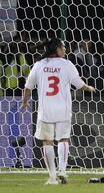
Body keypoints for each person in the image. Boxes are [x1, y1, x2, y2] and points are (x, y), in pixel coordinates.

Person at [20, 38, 95, 185]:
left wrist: (24, 101)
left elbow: (28, 87)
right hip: (63, 109)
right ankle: (62, 170)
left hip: (45, 110)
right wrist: (89, 88)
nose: (65, 49)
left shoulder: (39, 65)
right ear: (57, 49)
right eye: (64, 47)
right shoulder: (67, 64)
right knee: (63, 139)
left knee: (47, 142)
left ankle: (53, 177)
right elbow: (79, 84)